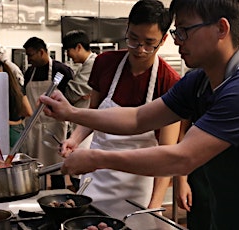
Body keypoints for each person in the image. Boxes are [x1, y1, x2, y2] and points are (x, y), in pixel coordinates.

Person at [39, 0, 239, 228]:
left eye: (185, 31)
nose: (178, 40)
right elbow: (138, 118)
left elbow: (182, 157)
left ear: (221, 28)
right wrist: (71, 113)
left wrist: (97, 158)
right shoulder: (199, 81)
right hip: (225, 214)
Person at [56, 0, 181, 210]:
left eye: (149, 43)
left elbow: (167, 153)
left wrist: (154, 205)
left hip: (137, 184)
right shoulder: (105, 63)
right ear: (127, 29)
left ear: (163, 39)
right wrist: (75, 139)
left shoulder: (168, 81)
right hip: (96, 174)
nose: (139, 49)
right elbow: (93, 114)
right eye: (133, 39)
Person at [22, 36, 74, 189]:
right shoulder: (29, 72)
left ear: (42, 52)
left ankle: (58, 194)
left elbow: (70, 99)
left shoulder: (61, 70)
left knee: (56, 166)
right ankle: (37, 195)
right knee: (35, 166)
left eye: (30, 55)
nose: (28, 59)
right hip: (34, 126)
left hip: (54, 125)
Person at [62, 30, 98, 190]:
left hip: (86, 124)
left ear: (78, 47)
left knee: (81, 168)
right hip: (81, 123)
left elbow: (71, 93)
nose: (69, 55)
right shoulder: (85, 66)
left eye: (69, 51)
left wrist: (77, 93)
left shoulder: (92, 64)